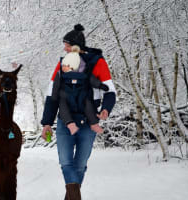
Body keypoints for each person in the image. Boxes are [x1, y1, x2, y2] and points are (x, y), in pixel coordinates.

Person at [41, 24, 116, 200]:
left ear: (76, 46)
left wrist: (106, 108)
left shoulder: (98, 63)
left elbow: (110, 91)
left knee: (80, 165)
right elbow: (52, 97)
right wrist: (46, 123)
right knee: (66, 162)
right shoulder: (62, 65)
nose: (64, 48)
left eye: (66, 45)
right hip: (65, 121)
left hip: (88, 123)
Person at [59, 45, 109, 135]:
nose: (63, 67)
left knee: (87, 104)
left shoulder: (83, 74)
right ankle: (72, 124)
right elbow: (92, 79)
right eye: (63, 65)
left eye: (65, 66)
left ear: (72, 66)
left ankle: (93, 123)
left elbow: (92, 80)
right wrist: (101, 85)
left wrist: (101, 85)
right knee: (64, 106)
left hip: (78, 93)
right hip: (69, 95)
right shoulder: (62, 75)